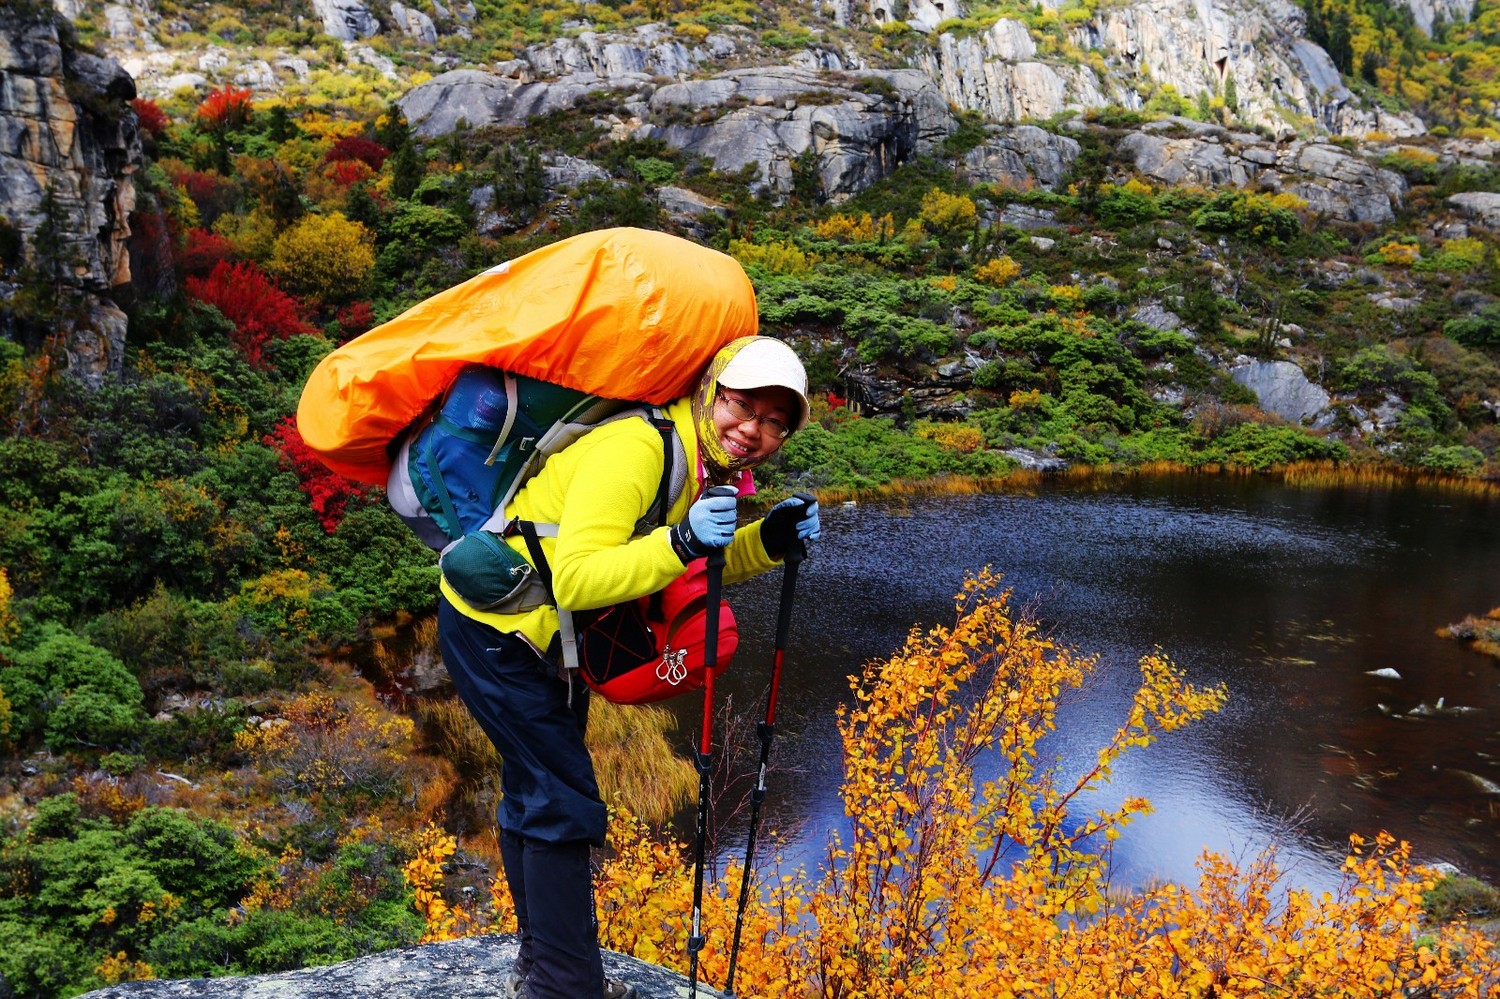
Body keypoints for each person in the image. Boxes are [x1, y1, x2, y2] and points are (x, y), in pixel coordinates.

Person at [436, 336, 822, 999]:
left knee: (537, 789)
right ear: (710, 391)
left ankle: (547, 966)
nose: (753, 430)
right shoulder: (639, 450)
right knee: (561, 798)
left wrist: (765, 540)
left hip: (548, 643)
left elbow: (679, 567)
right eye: (742, 406)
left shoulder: (691, 459)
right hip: (500, 633)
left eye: (774, 422)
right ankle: (565, 985)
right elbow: (580, 579)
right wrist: (685, 537)